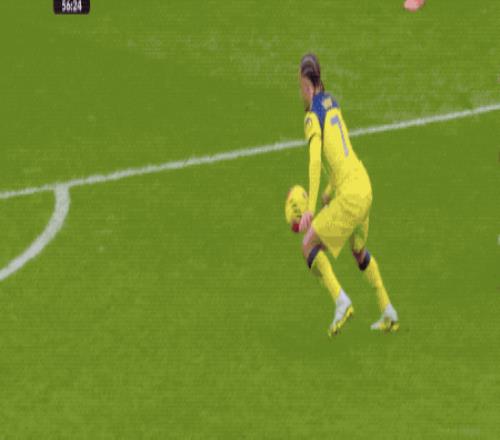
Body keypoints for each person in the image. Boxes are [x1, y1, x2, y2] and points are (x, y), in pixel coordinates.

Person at [297, 53, 399, 336]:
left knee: (308, 245)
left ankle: (341, 301)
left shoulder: (311, 117)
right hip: (364, 185)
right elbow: (340, 152)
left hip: (351, 196)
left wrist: (310, 208)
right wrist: (330, 192)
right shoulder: (332, 103)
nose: (300, 93)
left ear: (307, 84)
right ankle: (388, 310)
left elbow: (315, 161)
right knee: (359, 252)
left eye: (300, 86)